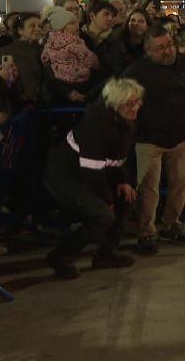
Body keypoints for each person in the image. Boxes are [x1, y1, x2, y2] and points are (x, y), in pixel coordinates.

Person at [44, 78, 143, 279]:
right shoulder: (97, 124)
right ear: (115, 103)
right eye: (129, 104)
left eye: (137, 102)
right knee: (102, 214)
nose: (135, 107)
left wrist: (123, 181)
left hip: (91, 172)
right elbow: (92, 171)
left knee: (126, 198)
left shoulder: (123, 120)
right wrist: (107, 200)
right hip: (66, 175)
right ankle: (60, 257)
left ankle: (105, 254)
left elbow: (118, 156)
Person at [123, 26, 185, 254]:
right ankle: (146, 231)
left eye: (169, 45)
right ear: (148, 50)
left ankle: (172, 223)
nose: (168, 51)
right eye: (161, 48)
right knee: (149, 188)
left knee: (181, 181)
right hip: (149, 138)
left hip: (180, 136)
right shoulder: (136, 72)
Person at [41, 6, 100, 104]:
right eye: (72, 23)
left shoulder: (49, 42)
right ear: (62, 27)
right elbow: (90, 59)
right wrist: (97, 64)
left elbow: (44, 58)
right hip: (80, 82)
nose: (77, 25)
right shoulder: (74, 42)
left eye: (76, 22)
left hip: (59, 86)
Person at [0, 12, 44, 105]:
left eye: (40, 26)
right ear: (20, 30)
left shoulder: (43, 49)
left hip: (41, 103)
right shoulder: (8, 51)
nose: (37, 28)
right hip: (22, 103)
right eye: (32, 26)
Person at [81, 0, 127, 79]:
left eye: (112, 16)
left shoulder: (114, 42)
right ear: (92, 16)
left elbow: (115, 72)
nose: (110, 18)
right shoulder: (78, 38)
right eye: (106, 14)